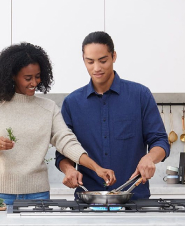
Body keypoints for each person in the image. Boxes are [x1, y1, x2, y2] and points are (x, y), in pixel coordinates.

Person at [0, 42, 116, 205]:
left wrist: (97, 168)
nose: (34, 83)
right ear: (12, 75)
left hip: (37, 195)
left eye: (37, 76)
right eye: (27, 78)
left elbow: (67, 142)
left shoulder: (48, 108)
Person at [56, 31, 169, 199]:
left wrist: (149, 158)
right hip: (88, 200)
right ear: (83, 60)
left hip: (134, 198)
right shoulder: (72, 103)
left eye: (103, 61)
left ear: (114, 56)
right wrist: (69, 170)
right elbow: (63, 152)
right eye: (90, 61)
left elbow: (160, 141)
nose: (97, 68)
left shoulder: (140, 95)